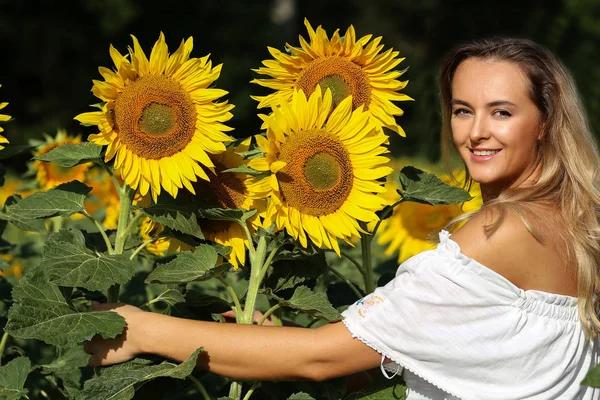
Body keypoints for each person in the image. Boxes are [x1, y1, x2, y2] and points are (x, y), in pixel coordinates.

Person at [84, 37, 600, 399]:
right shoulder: (573, 222)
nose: (476, 132)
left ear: (545, 123)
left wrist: (139, 328)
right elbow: (462, 357)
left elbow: (319, 358)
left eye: (502, 112)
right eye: (463, 109)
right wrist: (269, 337)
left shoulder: (496, 233)